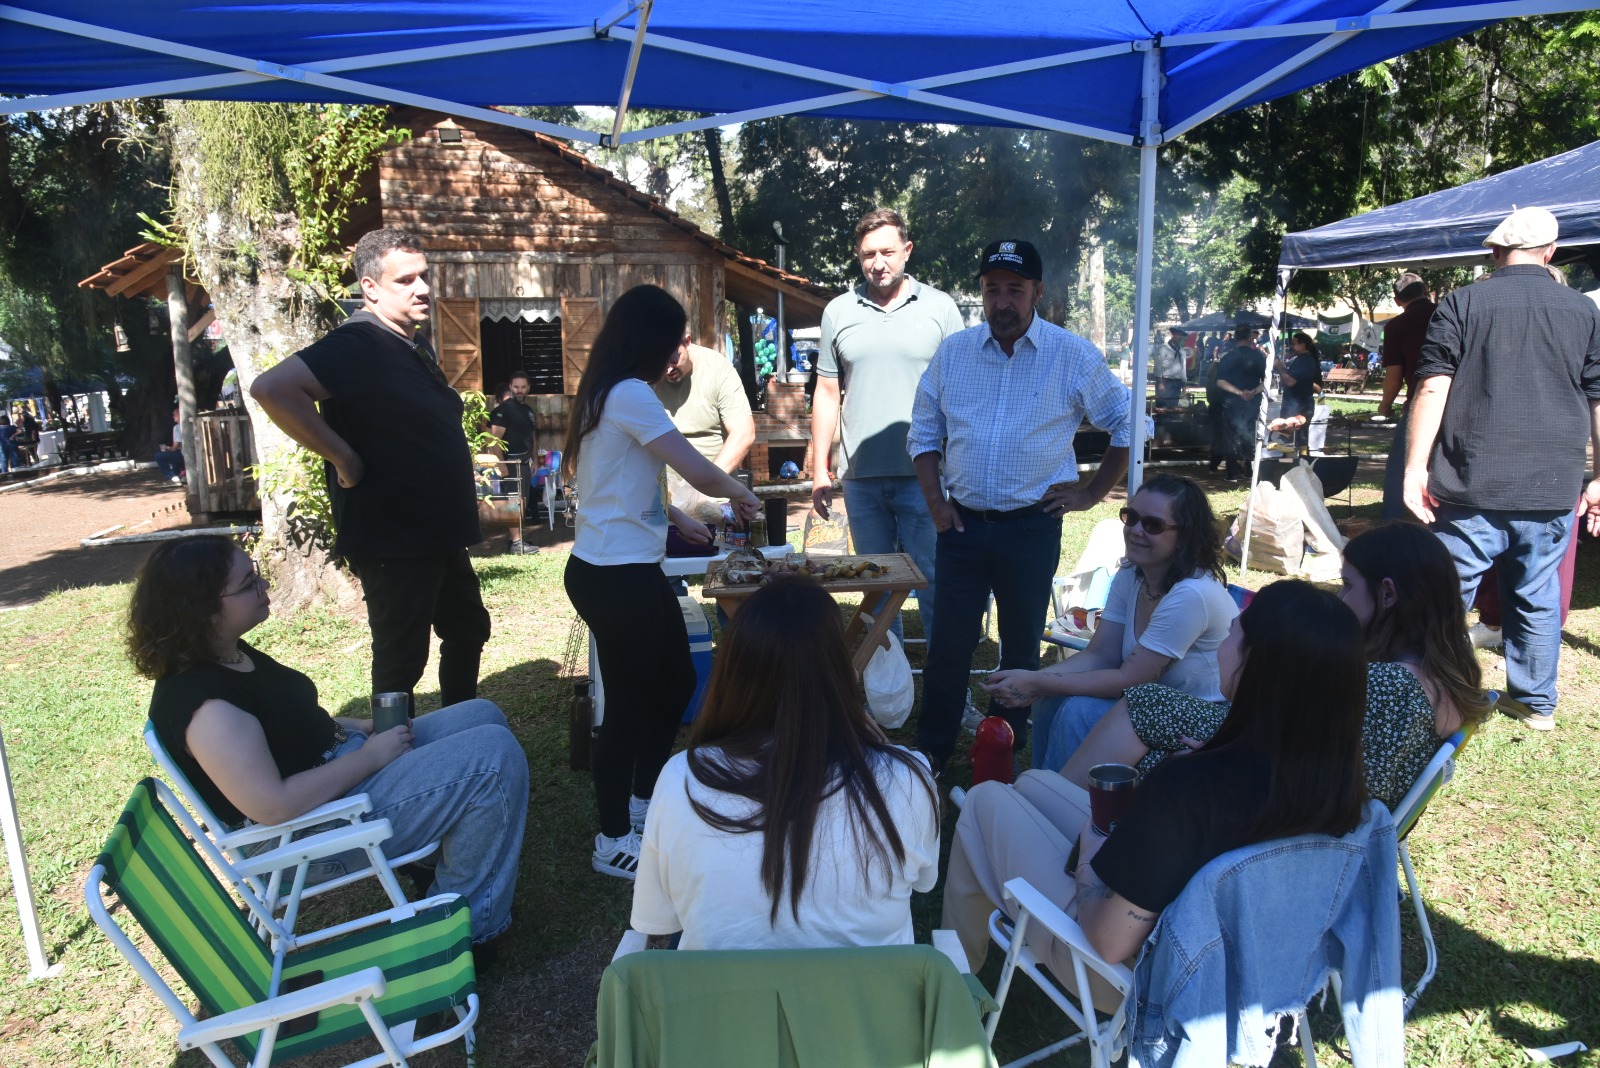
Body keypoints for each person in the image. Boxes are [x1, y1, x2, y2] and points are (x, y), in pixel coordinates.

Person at [942, 580, 1369, 972]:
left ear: (1256, 663)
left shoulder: (1193, 786)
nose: (1223, 642)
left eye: (1234, 632)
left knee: (984, 802)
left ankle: (954, 978)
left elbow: (1109, 941)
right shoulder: (1337, 791)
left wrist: (1091, 857)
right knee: (1033, 786)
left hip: (1140, 971)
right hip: (1243, 959)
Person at [127, 536, 528, 947]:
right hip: (304, 835)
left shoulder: (226, 654)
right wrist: (371, 758)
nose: (263, 585)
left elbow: (284, 722)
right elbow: (273, 805)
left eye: (257, 575)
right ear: (202, 609)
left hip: (337, 780)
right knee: (492, 759)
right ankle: (465, 929)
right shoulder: (206, 706)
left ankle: (436, 864)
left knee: (482, 716)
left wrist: (357, 726)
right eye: (248, 584)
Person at [1062, 522, 1490, 810]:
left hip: (1268, 802)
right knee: (1149, 705)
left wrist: (1227, 759)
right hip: (1272, 767)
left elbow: (1347, 794)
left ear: (1389, 595)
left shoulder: (1390, 686)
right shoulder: (1443, 674)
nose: (1340, 598)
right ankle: (1062, 810)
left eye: (1347, 586)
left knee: (1146, 707)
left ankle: (1060, 814)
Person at [907, 239, 1135, 772]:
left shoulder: (1071, 354)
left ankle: (1001, 748)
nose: (1002, 302)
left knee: (1019, 645)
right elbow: (923, 433)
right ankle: (932, 752)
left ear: (1038, 292)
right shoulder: (954, 353)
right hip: (962, 526)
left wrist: (1091, 493)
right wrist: (937, 504)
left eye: (1015, 289)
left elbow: (1128, 423)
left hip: (1031, 527)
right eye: (992, 290)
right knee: (949, 645)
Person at [562, 284, 761, 880]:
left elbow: (621, 478)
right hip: (611, 574)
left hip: (631, 568)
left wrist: (673, 517)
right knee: (628, 707)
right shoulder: (627, 392)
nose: (678, 352)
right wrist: (743, 495)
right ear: (647, 340)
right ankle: (611, 840)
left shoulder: (613, 392)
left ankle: (642, 803)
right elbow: (695, 468)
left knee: (675, 684)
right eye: (673, 340)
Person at [252, 228, 491, 711]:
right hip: (393, 534)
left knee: (468, 628)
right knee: (401, 659)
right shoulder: (358, 342)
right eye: (405, 280)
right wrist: (343, 457)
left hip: (435, 531)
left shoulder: (410, 343)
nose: (422, 288)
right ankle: (394, 745)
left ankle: (460, 722)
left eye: (423, 276)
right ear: (370, 287)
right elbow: (272, 389)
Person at [631, 576, 940, 949]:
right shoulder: (909, 778)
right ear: (842, 672)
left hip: (721, 988)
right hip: (868, 988)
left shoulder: (681, 779)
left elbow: (658, 918)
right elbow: (924, 882)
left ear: (733, 674)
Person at [1404, 206, 1600, 731]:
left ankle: (1430, 695)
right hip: (1552, 483)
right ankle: (1535, 704)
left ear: (1495, 252)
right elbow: (1599, 397)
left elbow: (1432, 386)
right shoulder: (1584, 310)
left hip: (1471, 480)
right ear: (1551, 252)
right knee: (1537, 593)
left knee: (1447, 594)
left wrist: (1414, 467)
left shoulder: (1462, 302)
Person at [982, 475, 1236, 771]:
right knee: (1051, 700)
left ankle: (1058, 795)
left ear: (1185, 536)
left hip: (1205, 716)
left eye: (1153, 525)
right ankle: (1043, 788)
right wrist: (1035, 682)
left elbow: (1129, 680)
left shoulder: (1191, 594)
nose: (1136, 530)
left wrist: (1036, 682)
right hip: (1147, 705)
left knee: (1078, 710)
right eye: (1131, 517)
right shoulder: (1132, 574)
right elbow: (1101, 655)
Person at [813, 208, 965, 643]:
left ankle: (944, 674)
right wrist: (820, 468)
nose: (878, 263)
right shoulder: (839, 311)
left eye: (887, 252)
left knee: (932, 576)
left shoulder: (940, 308)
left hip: (926, 475)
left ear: (907, 250)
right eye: (868, 255)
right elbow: (827, 392)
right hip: (860, 477)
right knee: (875, 584)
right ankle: (886, 673)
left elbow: (961, 390)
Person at [654, 334, 756, 475]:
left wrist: (709, 480)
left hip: (714, 480)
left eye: (673, 359)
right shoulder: (645, 374)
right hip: (661, 484)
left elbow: (743, 433)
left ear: (687, 342)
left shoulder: (716, 367)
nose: (668, 369)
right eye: (659, 362)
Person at [1379, 273, 1436, 520]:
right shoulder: (1447, 313)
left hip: (1419, 403)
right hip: (1457, 402)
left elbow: (1394, 377)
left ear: (1397, 300)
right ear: (1426, 290)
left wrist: (1385, 406)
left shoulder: (1396, 326)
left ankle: (1391, 519)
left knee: (1399, 465)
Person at [489, 371, 541, 555]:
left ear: (528, 388)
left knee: (522, 501)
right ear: (511, 387)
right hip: (510, 462)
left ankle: (516, 539)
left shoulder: (528, 410)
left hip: (524, 463)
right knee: (513, 501)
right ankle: (516, 543)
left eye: (523, 387)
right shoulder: (504, 410)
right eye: (516, 387)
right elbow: (494, 439)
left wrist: (534, 459)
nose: (519, 390)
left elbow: (532, 437)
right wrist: (501, 464)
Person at [1212, 324, 1266, 481]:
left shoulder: (1227, 357)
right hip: (1252, 403)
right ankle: (1249, 471)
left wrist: (1239, 393)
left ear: (1235, 339)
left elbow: (1220, 382)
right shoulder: (1259, 357)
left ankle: (1232, 473)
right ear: (1250, 338)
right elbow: (1267, 382)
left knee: (1230, 436)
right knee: (1250, 434)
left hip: (1231, 403)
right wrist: (1253, 392)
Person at [1275, 331, 1323, 425]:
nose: (1291, 347)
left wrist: (1279, 368)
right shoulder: (1302, 360)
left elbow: (1290, 382)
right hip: (1297, 406)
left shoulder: (1305, 360)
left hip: (1298, 408)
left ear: (1303, 345)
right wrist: (1284, 370)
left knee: (1294, 433)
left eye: (1293, 344)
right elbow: (1289, 380)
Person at [1152, 325, 1188, 405]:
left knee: (1173, 405)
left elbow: (1183, 369)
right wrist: (1160, 383)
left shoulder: (1182, 351)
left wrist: (1184, 384)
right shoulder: (1163, 348)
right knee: (1162, 406)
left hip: (1177, 383)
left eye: (1181, 335)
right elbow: (1158, 366)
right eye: (1178, 334)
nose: (1180, 337)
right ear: (1173, 335)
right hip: (1165, 381)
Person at [153, 407, 185, 485]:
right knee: (175, 455)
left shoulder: (177, 427)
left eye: (174, 415)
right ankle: (178, 475)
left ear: (180, 415)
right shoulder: (191, 424)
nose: (173, 417)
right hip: (192, 453)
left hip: (185, 455)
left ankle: (172, 477)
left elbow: (174, 448)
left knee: (159, 456)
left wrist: (167, 449)